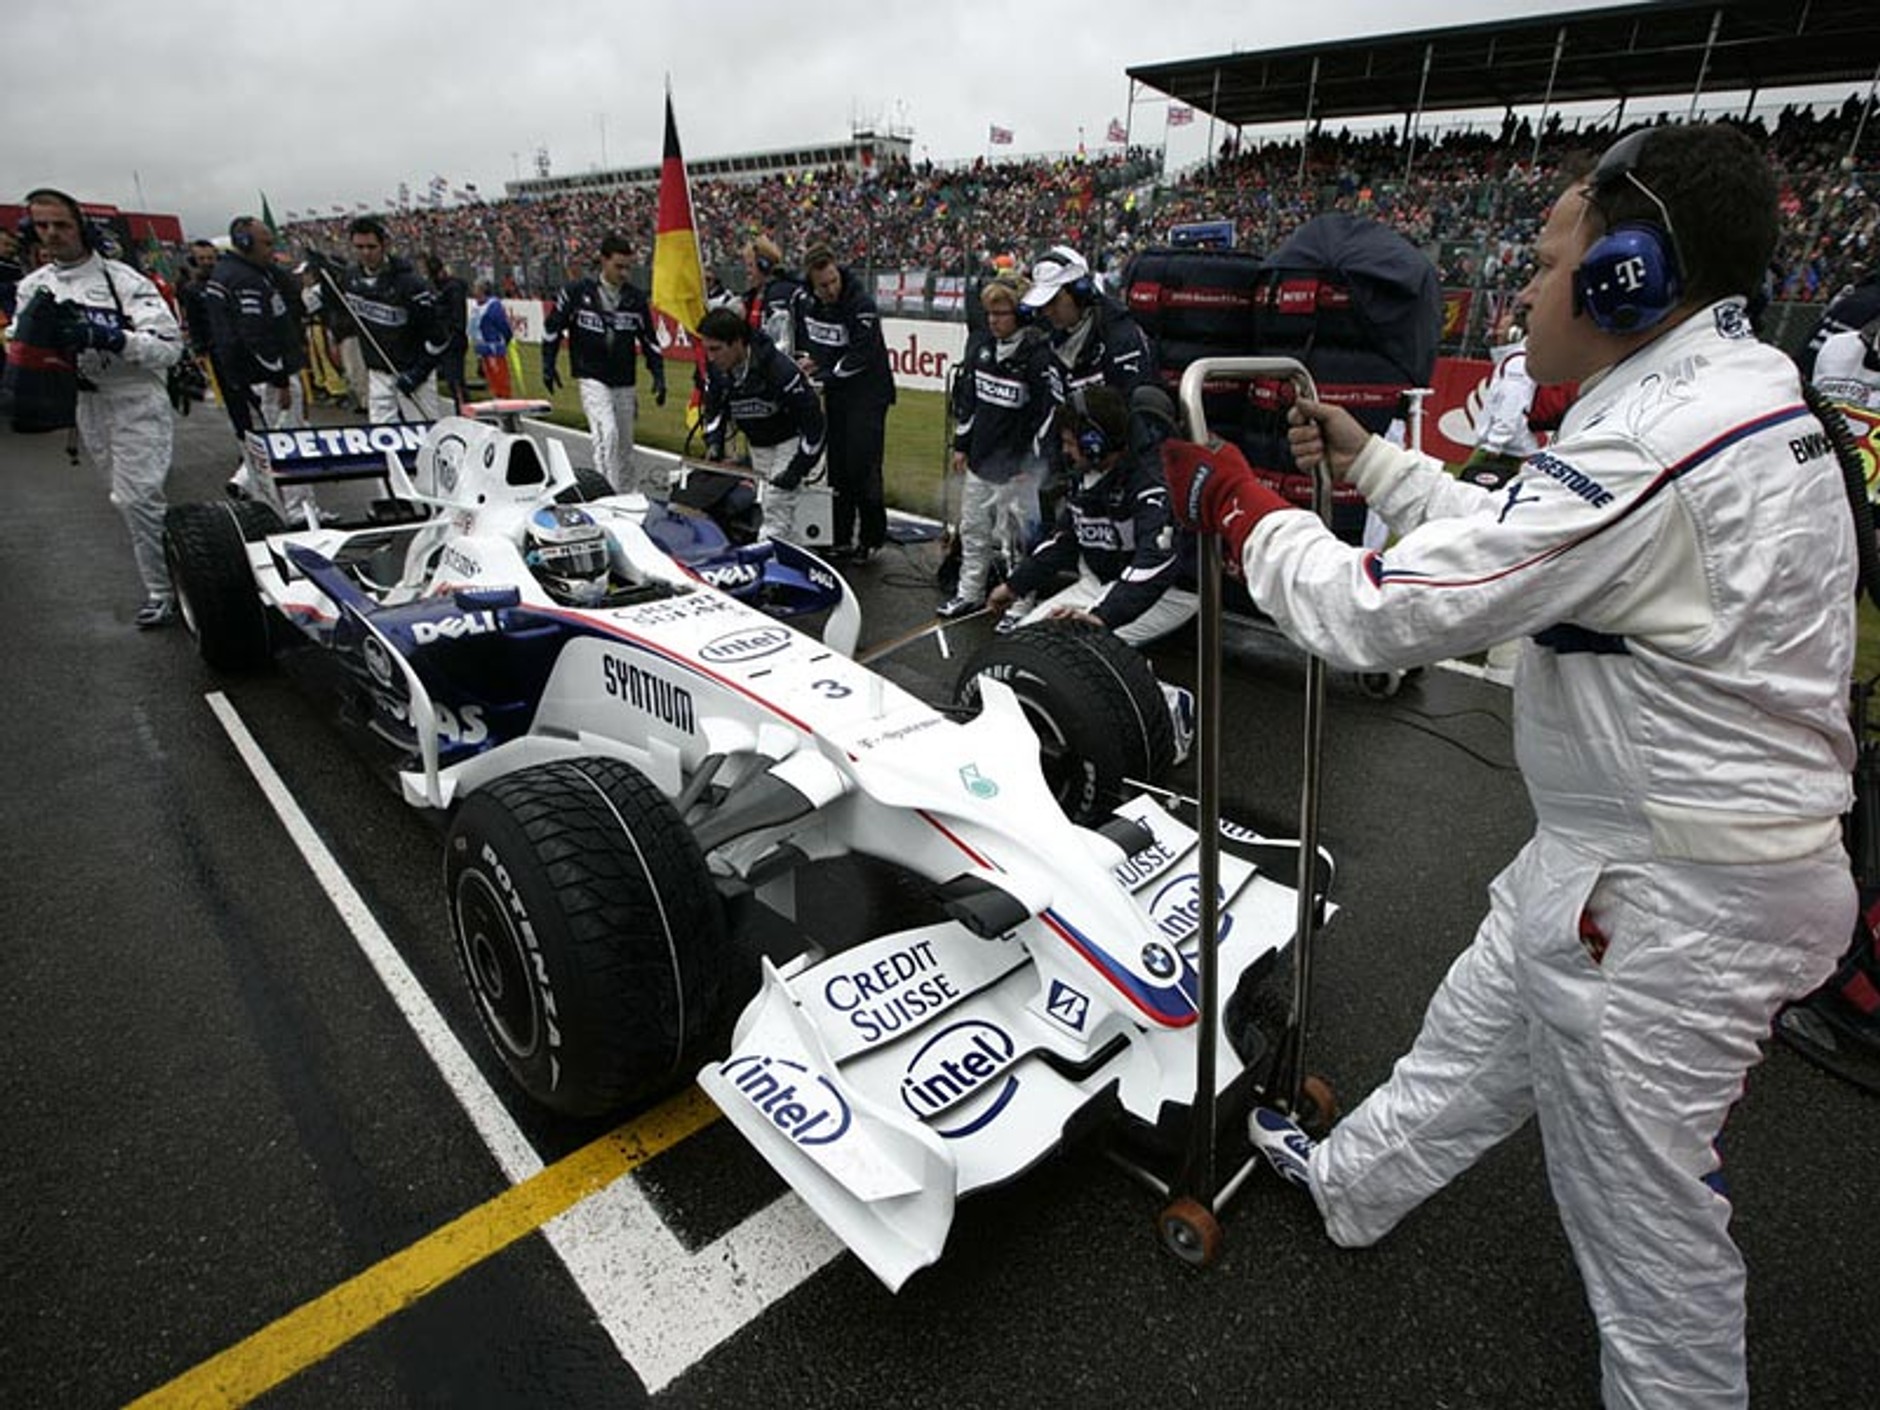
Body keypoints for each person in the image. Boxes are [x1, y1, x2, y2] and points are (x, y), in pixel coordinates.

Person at [1163, 123, 1858, 1410]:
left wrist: (1247, 519)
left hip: (1667, 903)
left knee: (1646, 1248)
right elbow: (1520, 534)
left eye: (1545, 261)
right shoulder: (1714, 398)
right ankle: (1354, 1183)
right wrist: (1368, 460)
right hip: (1633, 861)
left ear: (1626, 278)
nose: (1525, 288)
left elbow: (1382, 612)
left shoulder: (1659, 440)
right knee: (1472, 1037)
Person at [13, 187, 183, 627]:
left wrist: (110, 337)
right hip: (86, 403)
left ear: (81, 227)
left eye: (62, 225)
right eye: (43, 226)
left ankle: (165, 591)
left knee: (137, 497)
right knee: (127, 499)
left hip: (135, 397)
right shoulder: (33, 288)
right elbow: (20, 346)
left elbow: (170, 348)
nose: (52, 234)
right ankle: (180, 568)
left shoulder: (123, 281)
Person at [987, 385, 1192, 644]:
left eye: (1069, 443)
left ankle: (1162, 687)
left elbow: (1157, 560)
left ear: (1094, 443)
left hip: (1168, 590)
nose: (1065, 451)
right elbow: (1064, 540)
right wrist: (1014, 586)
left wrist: (1102, 616)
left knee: (1076, 650)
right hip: (1105, 581)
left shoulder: (1151, 481)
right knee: (1024, 643)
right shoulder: (1086, 475)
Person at [939, 274, 1054, 618]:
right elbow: (969, 404)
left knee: (1018, 542)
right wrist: (961, 445)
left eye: (1001, 313)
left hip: (1017, 469)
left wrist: (1030, 466)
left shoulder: (1038, 358)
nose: (993, 320)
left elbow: (1045, 417)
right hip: (980, 460)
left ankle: (1020, 606)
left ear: (1020, 313)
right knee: (974, 531)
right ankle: (969, 592)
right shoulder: (981, 349)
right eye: (989, 313)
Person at [542, 234, 666, 494]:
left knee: (624, 446)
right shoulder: (576, 293)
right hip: (592, 377)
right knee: (606, 436)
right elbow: (552, 328)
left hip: (624, 381)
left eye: (628, 267)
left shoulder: (634, 299)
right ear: (603, 261)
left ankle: (627, 496)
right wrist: (548, 364)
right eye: (618, 266)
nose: (624, 273)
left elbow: (650, 341)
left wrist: (658, 374)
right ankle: (606, 496)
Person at [795, 244, 894, 562]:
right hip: (837, 396)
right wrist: (812, 364)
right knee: (837, 468)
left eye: (833, 281)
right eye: (822, 284)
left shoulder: (860, 304)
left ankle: (870, 538)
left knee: (863, 467)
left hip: (868, 395)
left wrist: (825, 375)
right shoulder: (807, 302)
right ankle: (838, 536)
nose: (830, 289)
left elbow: (860, 357)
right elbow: (816, 344)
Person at [697, 306, 825, 543]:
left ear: (737, 343)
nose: (711, 357)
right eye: (707, 350)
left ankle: (769, 564)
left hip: (791, 441)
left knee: (776, 505)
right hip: (758, 446)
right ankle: (796, 557)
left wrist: (798, 467)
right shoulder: (717, 372)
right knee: (771, 508)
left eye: (716, 349)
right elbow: (712, 412)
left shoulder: (779, 370)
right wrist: (714, 444)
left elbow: (814, 423)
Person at [207, 216, 310, 504]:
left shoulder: (234, 272)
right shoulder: (244, 279)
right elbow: (257, 335)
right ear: (244, 242)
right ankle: (296, 508)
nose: (271, 249)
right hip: (266, 376)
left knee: (274, 437)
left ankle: (267, 496)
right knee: (288, 443)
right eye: (266, 243)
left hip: (248, 375)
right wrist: (279, 379)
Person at [326, 216, 445, 422]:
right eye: (359, 247)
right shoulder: (350, 279)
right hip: (378, 373)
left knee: (424, 435)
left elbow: (439, 335)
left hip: (414, 373)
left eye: (371, 247)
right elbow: (341, 315)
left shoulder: (411, 283)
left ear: (384, 245)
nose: (365, 253)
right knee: (383, 438)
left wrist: (419, 372)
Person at [1018, 243, 1155, 403]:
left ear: (1080, 293)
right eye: (1044, 304)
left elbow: (1136, 408)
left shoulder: (1122, 339)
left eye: (1054, 301)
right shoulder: (1051, 335)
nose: (1048, 311)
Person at [741, 235, 804, 354]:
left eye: (750, 265)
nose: (747, 271)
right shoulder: (752, 297)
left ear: (764, 265)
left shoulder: (780, 294)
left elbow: (781, 344)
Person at [423, 255, 470, 410]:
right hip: (446, 339)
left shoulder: (452, 289)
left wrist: (452, 334)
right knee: (452, 380)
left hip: (452, 340)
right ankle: (462, 409)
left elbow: (457, 317)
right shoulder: (443, 288)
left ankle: (465, 413)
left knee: (455, 381)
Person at [472, 281, 514, 398]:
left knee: (500, 376)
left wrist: (505, 340)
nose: (474, 292)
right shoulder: (476, 307)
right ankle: (497, 397)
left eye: (476, 289)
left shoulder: (493, 306)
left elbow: (503, 326)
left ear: (482, 291)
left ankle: (504, 399)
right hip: (483, 348)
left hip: (494, 347)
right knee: (490, 377)